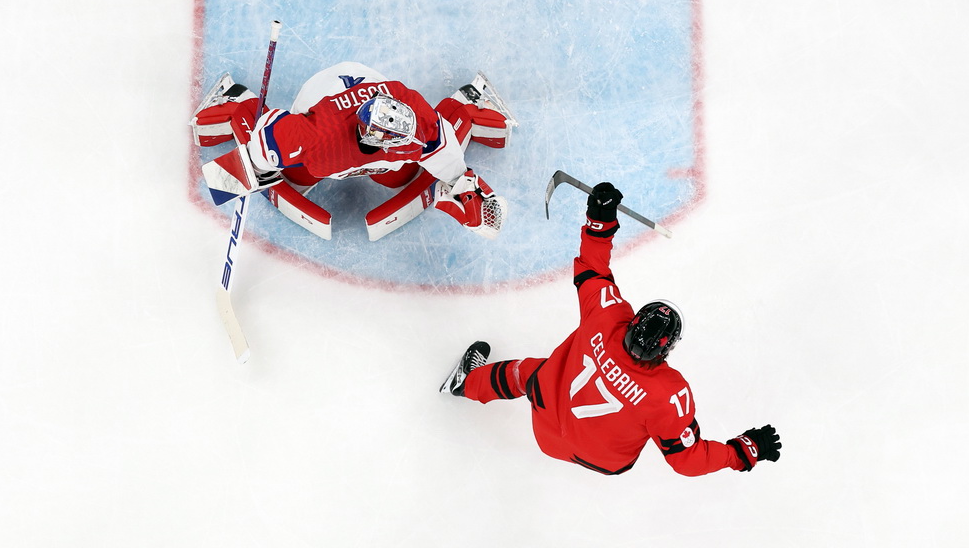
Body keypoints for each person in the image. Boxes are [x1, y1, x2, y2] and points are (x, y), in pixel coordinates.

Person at [440, 182, 782, 476]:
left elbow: (592, 267)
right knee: (551, 378)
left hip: (546, 425)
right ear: (666, 349)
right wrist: (744, 451)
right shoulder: (669, 394)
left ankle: (465, 384)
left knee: (529, 372)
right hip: (603, 460)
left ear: (634, 322)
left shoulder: (606, 316)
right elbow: (687, 460)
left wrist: (600, 221)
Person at [191, 62, 515, 240]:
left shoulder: (416, 122)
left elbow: (440, 143)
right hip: (320, 98)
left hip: (364, 99)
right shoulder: (320, 138)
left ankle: (467, 102)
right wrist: (253, 166)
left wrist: (462, 184)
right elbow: (270, 137)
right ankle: (236, 100)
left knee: (399, 179)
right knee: (294, 178)